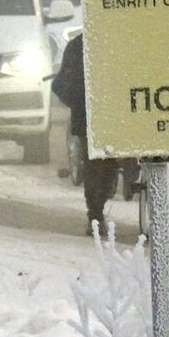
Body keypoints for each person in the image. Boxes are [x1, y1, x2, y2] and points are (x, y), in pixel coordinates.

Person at [50, 33, 122, 236]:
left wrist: (79, 104)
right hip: (98, 117)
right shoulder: (81, 45)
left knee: (96, 167)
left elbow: (60, 84)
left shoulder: (78, 45)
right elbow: (62, 84)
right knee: (100, 167)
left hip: (93, 117)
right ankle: (96, 214)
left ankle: (96, 213)